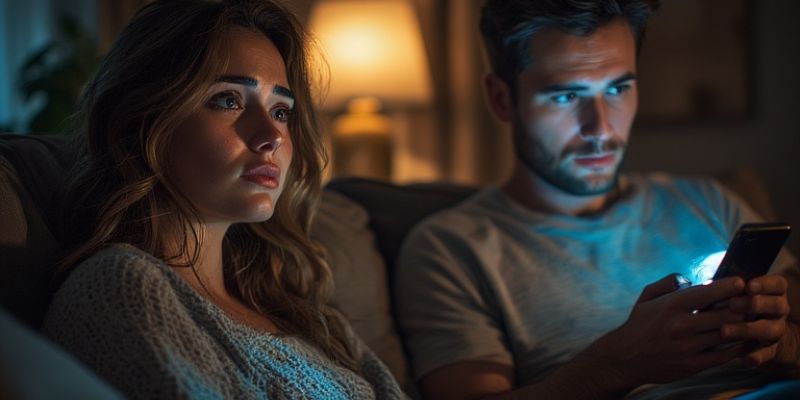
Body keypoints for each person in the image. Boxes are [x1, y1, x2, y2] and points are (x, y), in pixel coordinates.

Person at [394, 0, 800, 399]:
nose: (601, 128)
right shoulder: (449, 249)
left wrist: (776, 347)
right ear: (501, 98)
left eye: (618, 88)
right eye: (566, 96)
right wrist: (618, 365)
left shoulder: (707, 200)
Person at [41, 1, 406, 398]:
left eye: (281, 111)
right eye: (229, 100)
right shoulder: (120, 286)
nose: (273, 136)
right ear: (145, 119)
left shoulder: (314, 320)